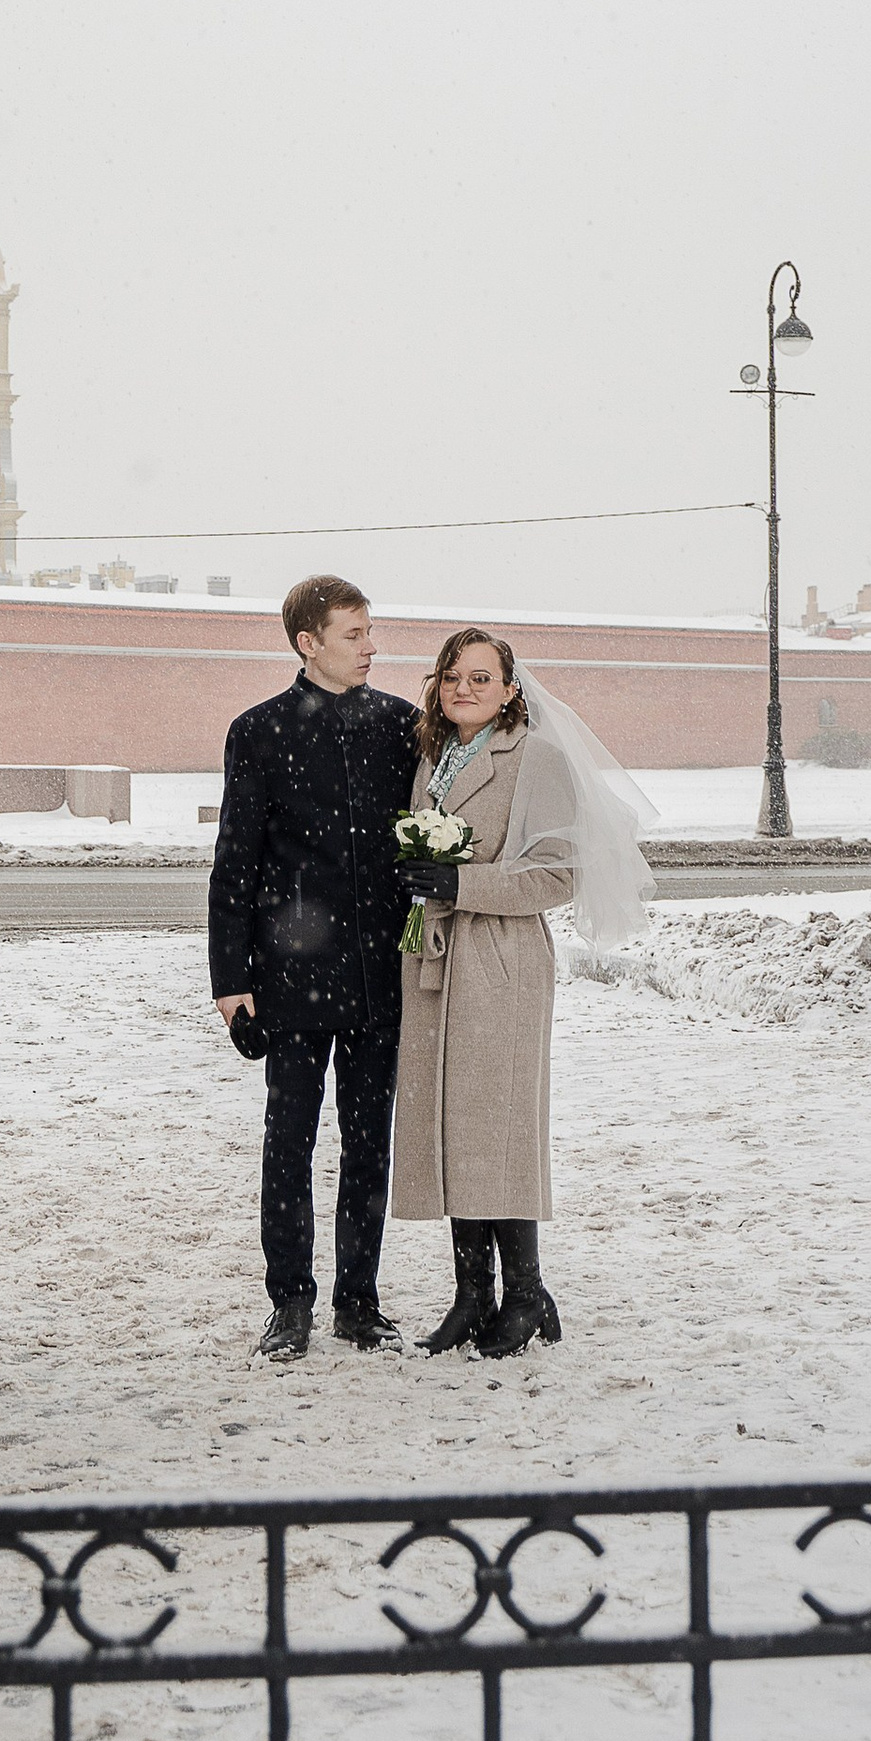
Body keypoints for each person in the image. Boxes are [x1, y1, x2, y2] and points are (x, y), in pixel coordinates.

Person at [391, 626, 657, 1358]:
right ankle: (471, 1294)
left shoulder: (534, 757)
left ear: (511, 690)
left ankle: (528, 1292)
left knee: (498, 1131)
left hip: (501, 958)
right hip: (434, 958)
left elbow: (556, 872)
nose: (463, 691)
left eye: (481, 679)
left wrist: (460, 881)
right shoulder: (435, 756)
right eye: (452, 678)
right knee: (453, 1132)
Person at [210, 574, 421, 1361]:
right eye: (355, 635)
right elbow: (235, 864)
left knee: (368, 1147)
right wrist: (230, 985)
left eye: (371, 633)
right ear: (309, 643)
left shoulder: (402, 727)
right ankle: (290, 1304)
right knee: (289, 1144)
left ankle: (357, 1305)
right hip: (290, 981)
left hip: (378, 978)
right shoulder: (258, 732)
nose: (372, 647)